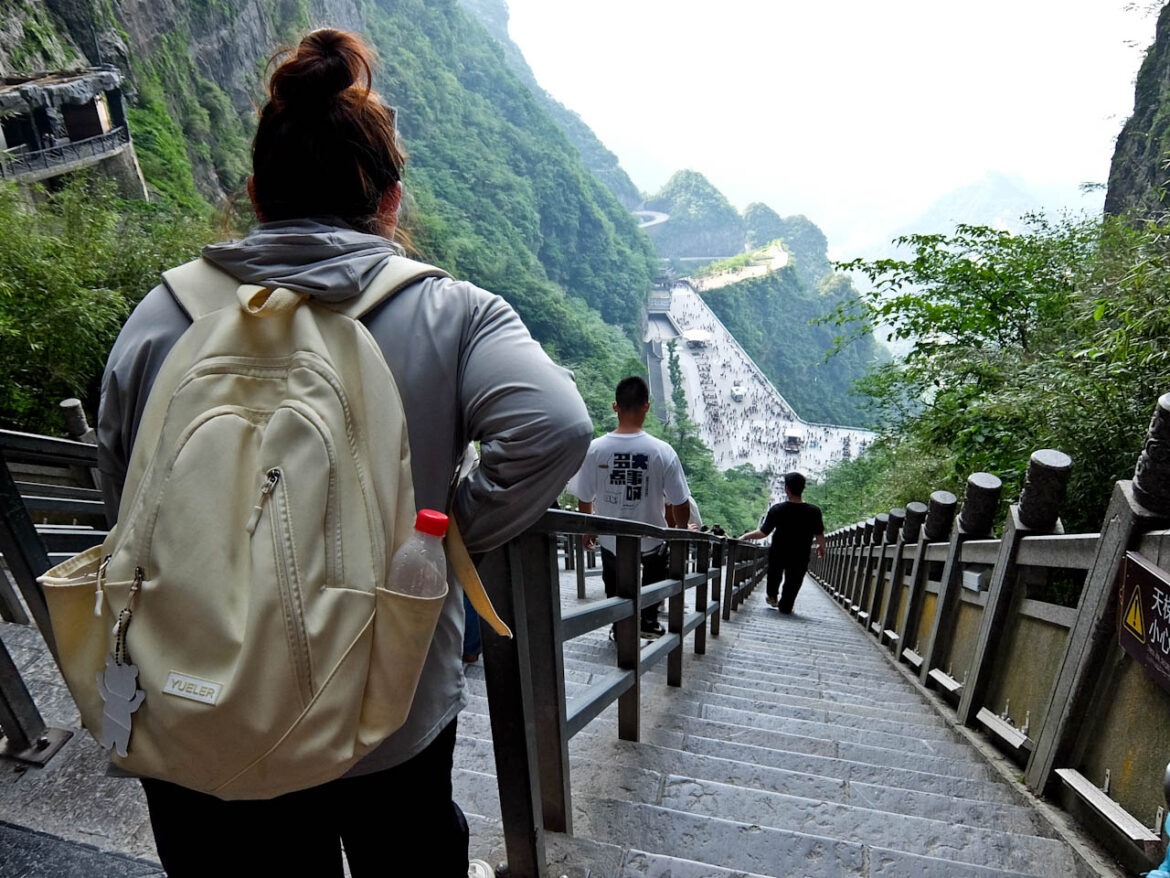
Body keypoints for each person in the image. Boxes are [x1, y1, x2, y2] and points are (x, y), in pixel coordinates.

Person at [95, 29, 592, 878]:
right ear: (391, 200)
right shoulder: (452, 313)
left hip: (197, 707)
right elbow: (556, 427)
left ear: (254, 193)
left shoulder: (163, 315)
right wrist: (436, 535)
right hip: (384, 707)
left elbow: (121, 488)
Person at [567, 376, 691, 638]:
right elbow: (681, 502)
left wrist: (587, 529)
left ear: (615, 406)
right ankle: (646, 620)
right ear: (646, 406)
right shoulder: (662, 451)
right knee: (655, 575)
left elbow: (585, 495)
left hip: (610, 538)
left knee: (613, 579)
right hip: (651, 537)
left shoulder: (594, 450)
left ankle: (620, 623)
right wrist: (680, 530)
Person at [739, 471, 826, 614]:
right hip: (801, 553)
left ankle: (772, 595)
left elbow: (763, 532)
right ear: (803, 488)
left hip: (779, 552)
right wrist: (822, 547)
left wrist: (745, 537)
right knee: (794, 580)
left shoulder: (777, 509)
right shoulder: (814, 511)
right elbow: (819, 533)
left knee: (774, 575)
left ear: (786, 489)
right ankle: (786, 604)